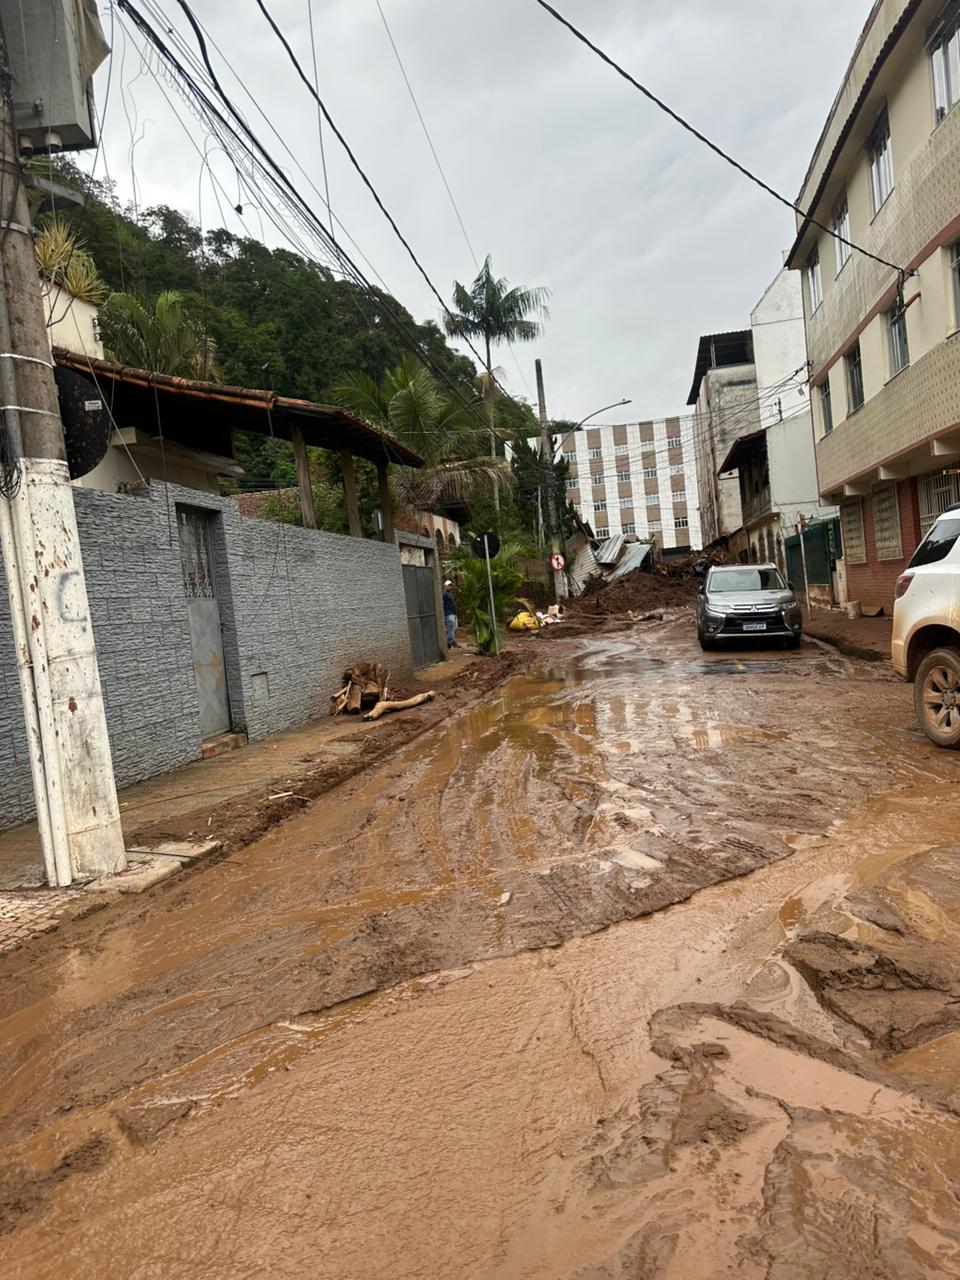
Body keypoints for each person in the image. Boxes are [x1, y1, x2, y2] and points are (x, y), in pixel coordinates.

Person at [442, 579, 458, 648]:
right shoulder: (444, 594)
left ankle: (451, 641)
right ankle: (449, 642)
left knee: (454, 628)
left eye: (451, 585)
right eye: (448, 585)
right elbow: (442, 604)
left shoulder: (450, 594)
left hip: (453, 614)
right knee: (450, 628)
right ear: (445, 586)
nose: (450, 587)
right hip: (448, 614)